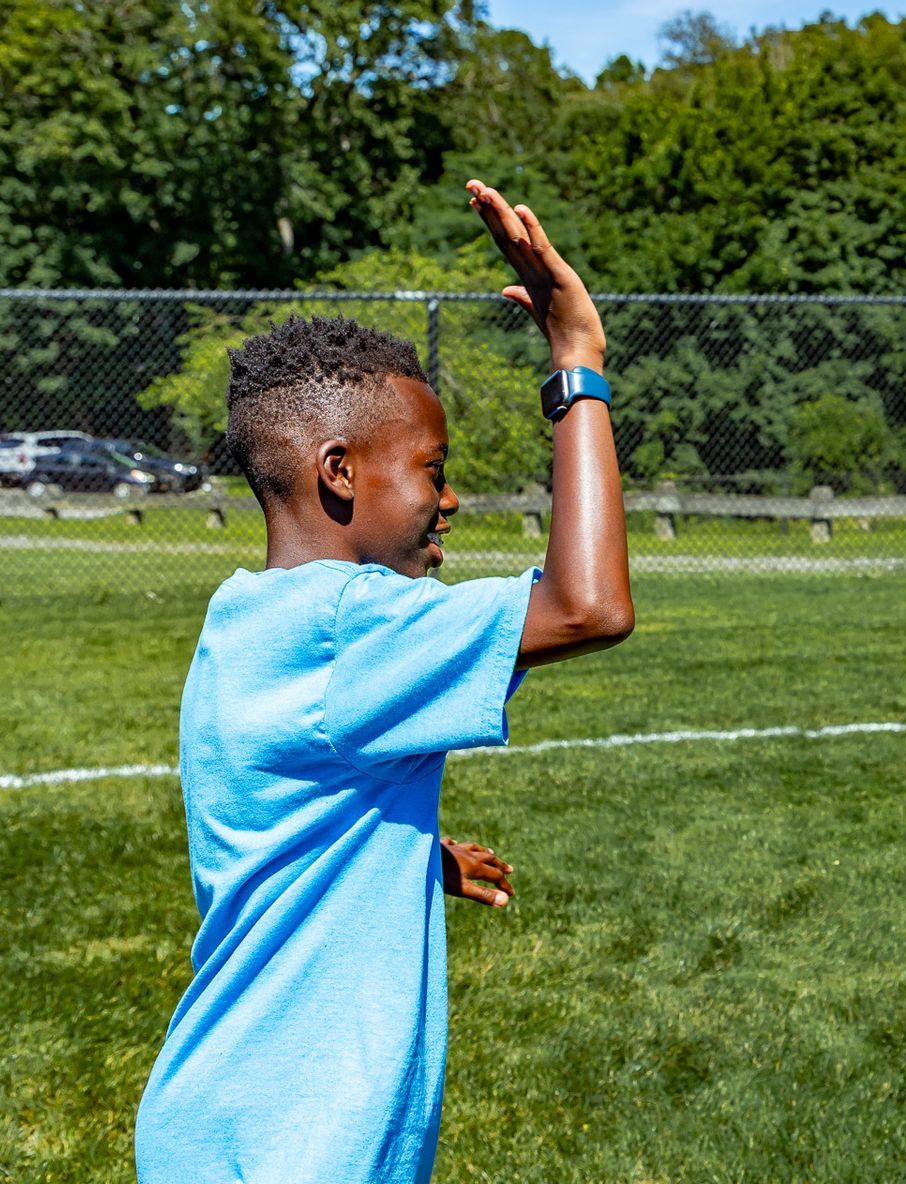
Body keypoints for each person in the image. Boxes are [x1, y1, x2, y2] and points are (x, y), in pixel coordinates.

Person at [135, 181, 632, 1184]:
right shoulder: (345, 624)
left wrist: (388, 854)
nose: (449, 497)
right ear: (340, 471)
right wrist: (578, 373)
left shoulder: (249, 611)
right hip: (299, 1143)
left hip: (227, 1122)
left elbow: (269, 797)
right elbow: (588, 604)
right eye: (432, 468)